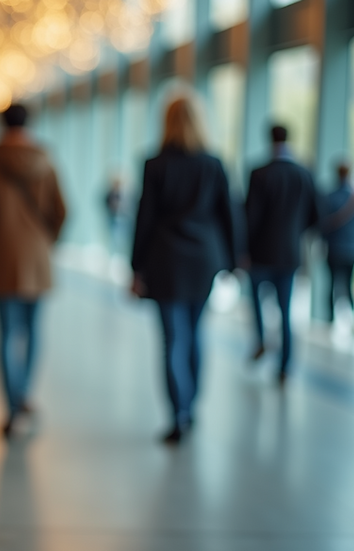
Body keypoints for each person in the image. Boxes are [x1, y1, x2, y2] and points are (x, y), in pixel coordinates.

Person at [131, 97, 235, 445]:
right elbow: (228, 214)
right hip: (204, 259)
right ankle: (192, 405)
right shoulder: (214, 164)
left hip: (166, 260)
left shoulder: (154, 164)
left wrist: (136, 266)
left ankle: (178, 412)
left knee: (173, 338)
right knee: (196, 332)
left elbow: (145, 218)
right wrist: (233, 261)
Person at [0, 104, 67, 437]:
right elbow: (63, 211)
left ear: (1, 125)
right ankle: (24, 395)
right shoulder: (46, 161)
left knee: (7, 334)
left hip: (3, 256)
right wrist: (46, 241)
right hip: (38, 257)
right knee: (33, 330)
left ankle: (11, 408)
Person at [244, 125, 319, 386]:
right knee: (285, 311)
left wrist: (244, 249)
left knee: (255, 300)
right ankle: (285, 367)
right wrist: (295, 232)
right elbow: (315, 216)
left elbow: (250, 216)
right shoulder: (304, 174)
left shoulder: (259, 173)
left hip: (260, 252)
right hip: (289, 253)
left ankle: (261, 339)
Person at [320, 161, 354, 327]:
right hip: (352, 249)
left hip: (334, 248)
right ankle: (352, 320)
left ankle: (330, 321)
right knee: (349, 285)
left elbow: (322, 224)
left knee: (331, 285)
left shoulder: (329, 197)